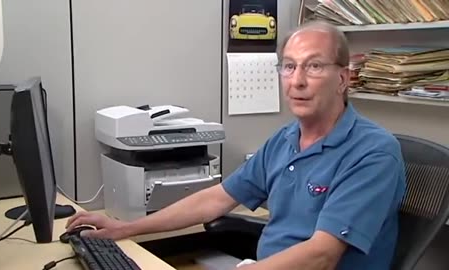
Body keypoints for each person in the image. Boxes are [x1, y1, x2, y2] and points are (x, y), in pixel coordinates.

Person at [66, 20, 407, 270]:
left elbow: (322, 255)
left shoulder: (373, 152)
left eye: (314, 66)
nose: (298, 80)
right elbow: (216, 199)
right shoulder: (285, 139)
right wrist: (126, 229)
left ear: (343, 79)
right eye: (289, 67)